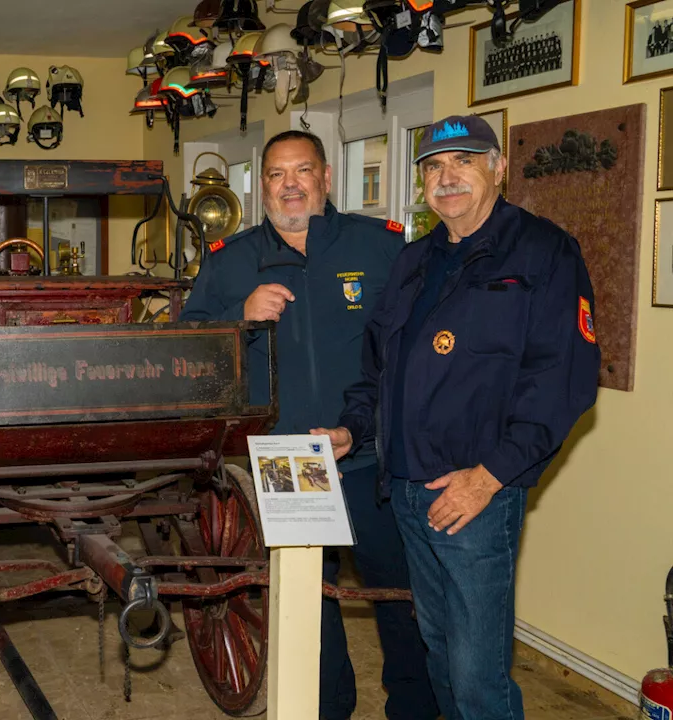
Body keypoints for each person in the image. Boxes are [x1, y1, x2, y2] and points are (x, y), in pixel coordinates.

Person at [314, 115, 600, 719]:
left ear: (499, 168)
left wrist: (489, 475)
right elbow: (379, 368)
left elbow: (563, 382)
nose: (448, 178)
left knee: (477, 674)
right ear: (422, 184)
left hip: (475, 495)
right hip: (409, 491)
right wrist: (352, 429)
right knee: (439, 652)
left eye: (464, 162)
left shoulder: (545, 252)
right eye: (435, 167)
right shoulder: (414, 260)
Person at [183, 130, 438, 720]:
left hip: (372, 457)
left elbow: (416, 350)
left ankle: (416, 709)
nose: (290, 184)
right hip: (285, 459)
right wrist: (239, 316)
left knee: (400, 598)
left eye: (302, 171)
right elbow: (191, 349)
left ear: (326, 178)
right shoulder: (231, 262)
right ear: (262, 185)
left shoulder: (382, 249)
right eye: (276, 174)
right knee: (307, 605)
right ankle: (329, 708)